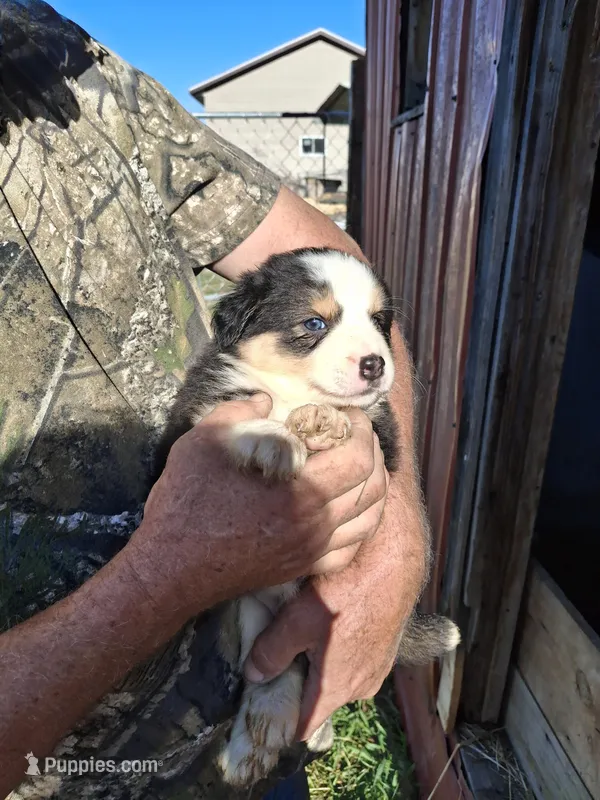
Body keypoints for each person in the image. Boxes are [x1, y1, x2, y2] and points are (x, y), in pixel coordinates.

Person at [0, 2, 429, 798]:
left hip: (251, 750)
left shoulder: (59, 53)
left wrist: (393, 545)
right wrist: (167, 577)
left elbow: (328, 258)